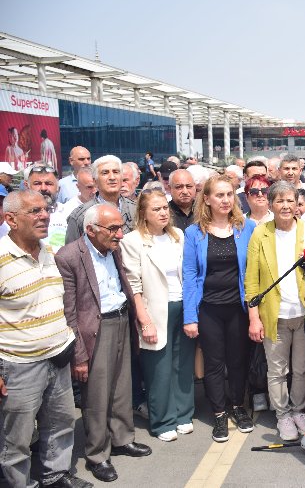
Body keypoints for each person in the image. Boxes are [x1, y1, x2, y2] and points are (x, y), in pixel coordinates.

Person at [0, 189, 91, 488]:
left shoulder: (50, 252)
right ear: (10, 219)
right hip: (18, 365)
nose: (44, 216)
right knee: (18, 438)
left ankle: (56, 475)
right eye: (35, 211)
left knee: (61, 423)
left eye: (46, 209)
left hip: (57, 355)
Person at [56, 204, 152, 483]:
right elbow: (70, 311)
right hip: (94, 330)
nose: (120, 234)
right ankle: (98, 454)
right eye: (113, 228)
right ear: (90, 230)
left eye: (121, 227)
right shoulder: (69, 256)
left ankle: (123, 439)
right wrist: (79, 356)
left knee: (122, 386)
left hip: (121, 321)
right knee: (96, 395)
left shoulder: (114, 248)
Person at [246, 180, 305, 441]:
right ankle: (282, 415)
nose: (286, 205)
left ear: (297, 203)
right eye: (279, 201)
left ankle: (299, 410)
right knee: (277, 371)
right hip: (274, 316)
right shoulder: (261, 233)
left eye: (290, 200)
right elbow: (252, 280)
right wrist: (254, 317)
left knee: (302, 369)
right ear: (270, 205)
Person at [182, 174, 256, 443]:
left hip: (238, 307)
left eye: (229, 194)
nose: (225, 200)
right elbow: (189, 275)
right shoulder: (194, 232)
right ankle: (219, 413)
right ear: (207, 199)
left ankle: (238, 406)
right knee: (214, 363)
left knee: (238, 361)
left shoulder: (246, 227)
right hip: (209, 308)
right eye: (219, 195)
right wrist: (190, 317)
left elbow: (253, 271)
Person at [120, 189, 195, 443]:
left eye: (165, 208)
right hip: (155, 310)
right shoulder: (132, 241)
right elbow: (134, 286)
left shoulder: (179, 235)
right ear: (143, 213)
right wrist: (144, 320)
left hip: (182, 305)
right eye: (156, 209)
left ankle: (183, 414)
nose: (163, 213)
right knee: (158, 368)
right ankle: (162, 420)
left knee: (183, 365)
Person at [66, 155, 136, 243]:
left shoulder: (137, 210)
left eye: (116, 172)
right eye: (105, 173)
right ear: (95, 181)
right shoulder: (79, 216)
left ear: (121, 178)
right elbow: (71, 253)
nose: (112, 177)